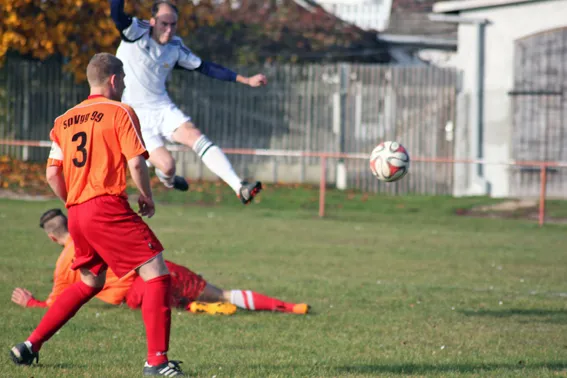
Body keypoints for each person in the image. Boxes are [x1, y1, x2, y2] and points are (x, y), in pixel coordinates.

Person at [9, 53, 184, 376]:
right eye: (125, 82)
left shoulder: (63, 119)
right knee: (156, 272)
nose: (126, 87)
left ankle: (30, 345)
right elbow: (135, 162)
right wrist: (146, 196)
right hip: (106, 207)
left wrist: (74, 202)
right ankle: (157, 362)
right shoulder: (120, 111)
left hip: (77, 212)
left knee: (90, 281)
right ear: (114, 80)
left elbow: (51, 174)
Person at [12, 208, 310, 316]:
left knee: (176, 305)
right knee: (222, 293)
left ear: (52, 238)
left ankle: (196, 307)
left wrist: (31, 304)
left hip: (135, 297)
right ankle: (289, 307)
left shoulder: (66, 262)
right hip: (157, 275)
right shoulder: (98, 231)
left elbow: (58, 303)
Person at [110, 0, 266, 204]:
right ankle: (169, 179)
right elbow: (116, 14)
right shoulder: (136, 32)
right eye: (164, 23)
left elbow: (206, 67)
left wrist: (245, 79)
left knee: (194, 135)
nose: (169, 29)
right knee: (167, 166)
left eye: (173, 24)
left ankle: (239, 187)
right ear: (152, 21)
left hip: (162, 107)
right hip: (134, 117)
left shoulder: (175, 47)